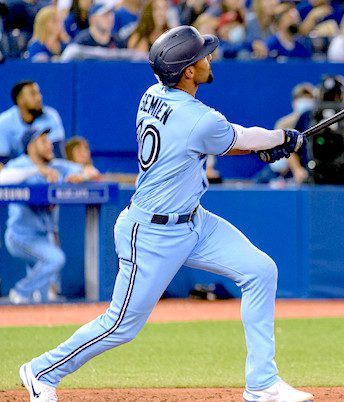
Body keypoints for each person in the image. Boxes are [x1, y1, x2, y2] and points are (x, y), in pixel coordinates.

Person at [18, 25, 313, 402]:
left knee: (260, 270)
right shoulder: (199, 117)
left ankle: (262, 384)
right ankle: (42, 370)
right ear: (187, 71)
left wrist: (265, 145)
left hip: (193, 221)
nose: (209, 58)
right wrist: (282, 139)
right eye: (202, 55)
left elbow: (224, 140)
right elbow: (234, 138)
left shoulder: (153, 93)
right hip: (153, 233)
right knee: (121, 325)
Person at [0, 128, 96, 305]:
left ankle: (26, 305)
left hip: (43, 236)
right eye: (43, 141)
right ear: (30, 146)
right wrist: (37, 171)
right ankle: (20, 292)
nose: (49, 145)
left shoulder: (56, 165)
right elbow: (2, 177)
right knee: (55, 258)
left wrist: (79, 177)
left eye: (49, 140)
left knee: (43, 298)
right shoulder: (20, 164)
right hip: (20, 236)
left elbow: (91, 171)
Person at [292, 75, 344, 184]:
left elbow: (292, 147)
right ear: (340, 95)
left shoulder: (308, 115)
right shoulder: (308, 116)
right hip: (327, 181)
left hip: (333, 181)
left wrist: (298, 170)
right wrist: (297, 170)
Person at [0, 80, 66, 163]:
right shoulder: (4, 122)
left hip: (45, 169)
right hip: (15, 170)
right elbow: (1, 160)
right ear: (20, 100)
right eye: (33, 94)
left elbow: (57, 153)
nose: (39, 98)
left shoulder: (50, 116)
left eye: (38, 93)